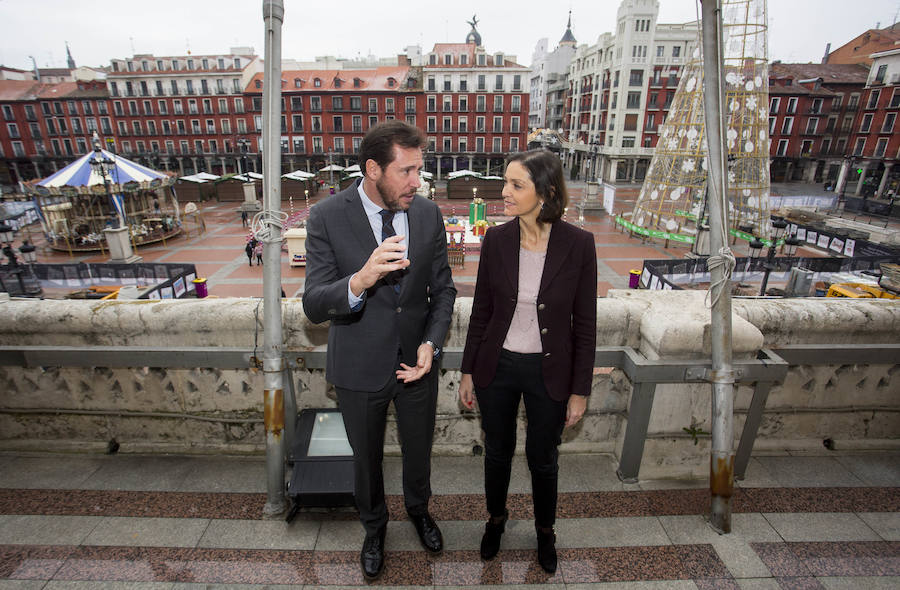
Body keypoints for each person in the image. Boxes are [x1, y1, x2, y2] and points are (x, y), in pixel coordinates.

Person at [302, 121, 457, 581]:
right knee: (364, 457)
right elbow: (313, 304)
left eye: (420, 170)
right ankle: (374, 528)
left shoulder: (428, 214)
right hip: (358, 366)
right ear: (373, 169)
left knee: (418, 449)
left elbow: (443, 291)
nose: (417, 182)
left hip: (416, 363)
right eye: (406, 171)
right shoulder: (326, 216)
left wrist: (432, 343)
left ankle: (419, 510)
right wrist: (360, 280)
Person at [458, 149, 597, 574]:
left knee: (543, 457)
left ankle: (545, 531)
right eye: (506, 182)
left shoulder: (579, 245)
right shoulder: (497, 240)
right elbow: (481, 309)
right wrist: (467, 370)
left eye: (516, 185)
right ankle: (495, 521)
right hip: (496, 368)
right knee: (496, 453)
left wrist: (580, 391)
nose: (505, 193)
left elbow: (585, 325)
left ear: (546, 191)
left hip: (548, 371)